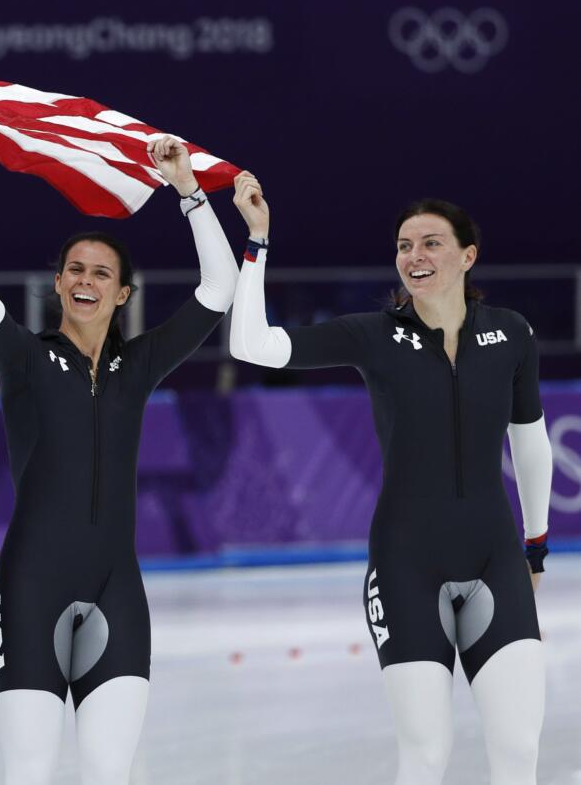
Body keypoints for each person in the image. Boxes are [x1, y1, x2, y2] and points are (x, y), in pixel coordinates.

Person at [227, 174, 551, 785]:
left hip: (495, 559)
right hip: (406, 566)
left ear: (467, 255)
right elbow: (250, 344)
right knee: (425, 755)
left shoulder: (510, 332)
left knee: (518, 752)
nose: (415, 257)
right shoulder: (373, 336)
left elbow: (528, 437)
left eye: (431, 243)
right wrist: (257, 240)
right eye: (404, 246)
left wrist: (535, 544)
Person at [0, 127, 238, 784]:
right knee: (30, 773)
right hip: (27, 592)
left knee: (111, 772)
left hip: (117, 592)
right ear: (56, 283)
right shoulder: (25, 358)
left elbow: (220, 287)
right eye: (75, 269)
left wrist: (188, 189)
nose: (86, 280)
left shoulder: (140, 365)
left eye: (101, 272)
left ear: (123, 294)